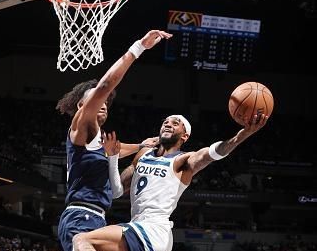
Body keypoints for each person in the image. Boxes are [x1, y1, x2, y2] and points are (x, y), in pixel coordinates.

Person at [72, 113, 269, 251]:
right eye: (165, 122)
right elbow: (115, 191)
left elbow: (215, 153)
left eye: (175, 123)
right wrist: (113, 157)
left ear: (184, 136)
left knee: (82, 240)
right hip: (139, 227)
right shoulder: (143, 154)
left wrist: (245, 133)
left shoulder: (183, 160)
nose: (167, 124)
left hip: (154, 229)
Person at [55, 30, 172, 251]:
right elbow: (106, 85)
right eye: (98, 99)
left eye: (107, 102)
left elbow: (117, 148)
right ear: (82, 106)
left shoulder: (97, 139)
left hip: (96, 218)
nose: (104, 102)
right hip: (80, 216)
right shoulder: (81, 125)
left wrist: (141, 145)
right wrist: (138, 48)